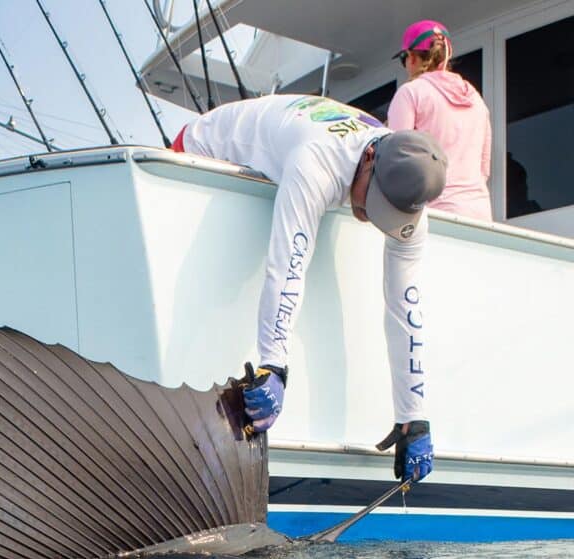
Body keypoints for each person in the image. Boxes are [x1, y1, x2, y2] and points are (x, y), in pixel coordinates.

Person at [172, 94, 445, 482]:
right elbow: (287, 264)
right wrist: (274, 365)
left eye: (386, 210)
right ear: (370, 158)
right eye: (374, 199)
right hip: (200, 146)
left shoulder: (409, 195)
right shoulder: (317, 161)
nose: (369, 216)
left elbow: (406, 308)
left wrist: (413, 416)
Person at [388, 20, 492, 221]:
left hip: (435, 216)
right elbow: (484, 169)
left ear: (411, 57)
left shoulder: (410, 93)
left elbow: (395, 163)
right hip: (480, 214)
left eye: (404, 59)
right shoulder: (476, 100)